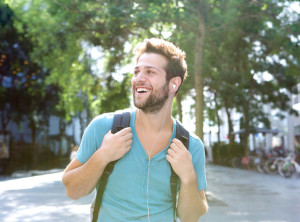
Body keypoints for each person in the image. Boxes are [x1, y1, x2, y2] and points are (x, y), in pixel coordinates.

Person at [62, 38, 208, 222]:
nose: (139, 78)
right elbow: (72, 190)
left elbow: (191, 217)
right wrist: (102, 156)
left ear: (173, 84)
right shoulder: (105, 128)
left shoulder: (190, 145)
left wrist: (188, 177)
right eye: (137, 71)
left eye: (150, 72)